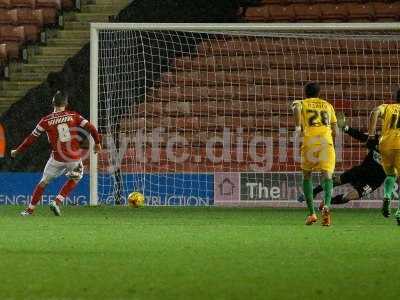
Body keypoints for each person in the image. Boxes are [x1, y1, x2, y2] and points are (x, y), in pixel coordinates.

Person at [11, 91, 101, 216]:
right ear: (66, 103)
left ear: (52, 103)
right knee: (77, 177)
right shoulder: (73, 115)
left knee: (43, 182)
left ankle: (29, 210)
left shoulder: (45, 120)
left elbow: (31, 139)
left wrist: (17, 150)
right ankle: (57, 201)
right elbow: (91, 128)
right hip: (73, 157)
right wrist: (97, 143)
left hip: (56, 158)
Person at [297, 113, 386, 207]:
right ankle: (313, 192)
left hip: (374, 181)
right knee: (336, 181)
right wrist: (345, 127)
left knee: (349, 197)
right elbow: (360, 136)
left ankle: (328, 202)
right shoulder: (377, 140)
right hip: (362, 171)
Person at [292, 82, 337, 226]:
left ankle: (312, 213)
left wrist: (298, 127)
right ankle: (327, 206)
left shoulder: (302, 103)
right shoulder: (328, 105)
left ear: (305, 93)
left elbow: (295, 107)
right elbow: (336, 129)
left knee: (307, 175)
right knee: (327, 175)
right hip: (326, 142)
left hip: (310, 141)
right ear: (319, 93)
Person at [367, 87, 400, 225]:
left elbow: (374, 111)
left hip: (385, 144)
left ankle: (387, 196)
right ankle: (399, 212)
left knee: (391, 175)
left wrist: (371, 135)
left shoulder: (387, 107)